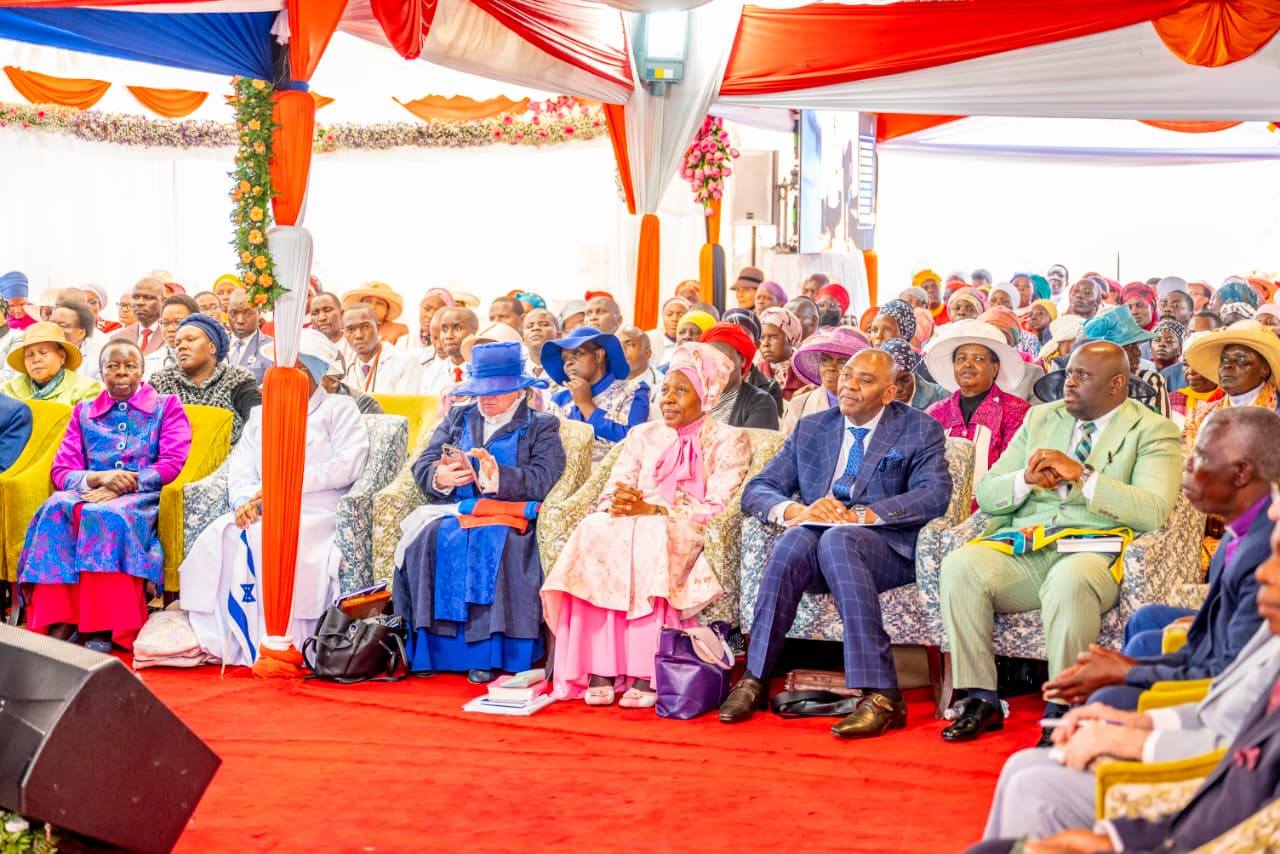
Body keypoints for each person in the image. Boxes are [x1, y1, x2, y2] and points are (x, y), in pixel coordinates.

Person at [969, 525, 1280, 854]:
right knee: (1020, 765)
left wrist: (1131, 740)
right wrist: (1136, 722)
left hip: (1200, 800)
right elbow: (1222, 705)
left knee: (1030, 787)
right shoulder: (1271, 636)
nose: (1262, 571)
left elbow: (1241, 774)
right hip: (1195, 793)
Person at [938, 342, 1182, 743]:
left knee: (1068, 581)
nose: (1069, 383)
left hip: (1093, 548)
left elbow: (1152, 510)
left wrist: (1082, 475)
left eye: (1083, 376)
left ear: (1117, 384)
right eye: (1069, 373)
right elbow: (988, 490)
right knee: (960, 566)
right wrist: (1025, 480)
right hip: (1028, 543)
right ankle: (981, 697)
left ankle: (1063, 707)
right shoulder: (1041, 418)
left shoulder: (1152, 429)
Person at [721, 349, 952, 736]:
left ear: (889, 393)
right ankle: (754, 678)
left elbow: (934, 495)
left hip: (886, 549)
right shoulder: (813, 428)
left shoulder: (918, 428)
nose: (849, 385)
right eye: (847, 375)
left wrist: (861, 515)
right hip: (821, 538)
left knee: (839, 539)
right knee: (793, 542)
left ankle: (883, 696)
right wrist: (799, 511)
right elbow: (758, 489)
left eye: (865, 380)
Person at [543, 343, 751, 705]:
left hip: (681, 525)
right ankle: (600, 666)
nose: (668, 399)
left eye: (681, 390)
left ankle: (645, 671)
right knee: (594, 528)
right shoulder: (643, 435)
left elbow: (718, 506)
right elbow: (615, 486)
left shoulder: (729, 440)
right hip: (635, 520)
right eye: (665, 390)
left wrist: (654, 510)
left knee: (652, 534)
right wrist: (619, 502)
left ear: (706, 394)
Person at [1037, 407, 1280, 713]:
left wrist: (1128, 672)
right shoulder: (1237, 534)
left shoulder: (1265, 553)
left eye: (1202, 456)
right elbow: (1209, 642)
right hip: (1217, 663)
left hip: (1230, 707)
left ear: (1241, 472)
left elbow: (1228, 672)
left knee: (1106, 699)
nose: (1187, 464)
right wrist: (1128, 667)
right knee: (1145, 622)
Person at [181, 334, 368, 666]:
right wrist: (242, 500)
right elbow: (241, 466)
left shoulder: (338, 409)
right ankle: (233, 641)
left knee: (276, 540)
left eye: (295, 370)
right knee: (223, 535)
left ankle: (289, 640)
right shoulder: (261, 414)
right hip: (260, 503)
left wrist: (284, 486)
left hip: (316, 506)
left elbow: (347, 465)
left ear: (312, 374)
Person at [391, 342, 563, 683]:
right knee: (428, 538)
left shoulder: (541, 425)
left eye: (495, 391)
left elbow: (544, 477)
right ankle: (431, 651)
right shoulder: (459, 417)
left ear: (519, 389)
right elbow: (424, 463)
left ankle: (489, 654)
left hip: (508, 516)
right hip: (457, 510)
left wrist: (498, 477)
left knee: (493, 540)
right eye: (480, 391)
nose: (486, 399)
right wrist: (439, 476)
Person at [19, 340, 190, 651]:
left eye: (130, 366)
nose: (121, 372)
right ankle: (61, 618)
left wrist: (123, 485)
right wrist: (98, 478)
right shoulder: (84, 412)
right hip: (91, 489)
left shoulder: (166, 407)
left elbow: (172, 462)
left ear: (142, 371)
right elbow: (61, 471)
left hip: (141, 496)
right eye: (112, 366)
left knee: (105, 516)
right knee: (55, 508)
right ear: (101, 372)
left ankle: (104, 626)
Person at [924, 320, 1030, 494]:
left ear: (994, 368)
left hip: (995, 505)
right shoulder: (935, 413)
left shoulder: (1017, 412)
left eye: (978, 358)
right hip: (938, 505)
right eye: (961, 358)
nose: (968, 364)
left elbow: (1015, 473)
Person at [544, 326, 649, 461]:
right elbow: (544, 447)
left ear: (599, 355)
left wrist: (585, 405)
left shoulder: (633, 391)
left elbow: (633, 443)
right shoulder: (558, 401)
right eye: (565, 359)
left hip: (615, 473)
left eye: (577, 353)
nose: (569, 362)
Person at [151, 310, 261, 437]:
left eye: (190, 339)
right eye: (177, 343)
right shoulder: (161, 381)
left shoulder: (238, 379)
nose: (181, 347)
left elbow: (257, 426)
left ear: (212, 347)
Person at [1182, 320, 1280, 448]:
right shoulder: (1200, 416)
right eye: (1223, 359)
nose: (1227, 365)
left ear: (1264, 369)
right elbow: (1189, 457)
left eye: (1241, 359)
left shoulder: (1276, 412)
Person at [1080, 306, 1171, 418]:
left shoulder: (1150, 380)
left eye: (1136, 346)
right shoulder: (1090, 384)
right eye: (1129, 347)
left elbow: (1162, 423)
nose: (1137, 353)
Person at [782, 327, 870, 434]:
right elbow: (785, 443)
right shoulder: (799, 405)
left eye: (842, 362)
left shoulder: (873, 408)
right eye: (825, 360)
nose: (831, 367)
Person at [698, 322, 779, 430]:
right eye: (709, 358)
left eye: (722, 357)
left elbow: (750, 441)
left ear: (742, 361)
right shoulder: (694, 398)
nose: (715, 365)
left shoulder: (761, 402)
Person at [1, 321, 100, 405]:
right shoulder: (8, 391)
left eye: (43, 353)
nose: (36, 359)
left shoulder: (87, 389)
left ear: (62, 356)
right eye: (29, 355)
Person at [340, 303, 420, 395]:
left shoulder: (406, 363)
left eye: (365, 327)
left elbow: (407, 403)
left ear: (378, 328)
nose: (358, 335)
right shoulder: (345, 370)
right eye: (350, 329)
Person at [417, 306, 478, 398]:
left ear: (474, 333)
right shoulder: (431, 373)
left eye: (457, 329)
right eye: (444, 330)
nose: (449, 336)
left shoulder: (485, 372)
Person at [879, 339, 946, 411]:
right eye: (891, 381)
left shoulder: (942, 397)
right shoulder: (876, 405)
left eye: (905, 379)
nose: (899, 388)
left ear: (914, 373)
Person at [224, 289, 272, 385]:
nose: (240, 320)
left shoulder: (271, 347)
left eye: (248, 313)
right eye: (233, 313)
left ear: (259, 313)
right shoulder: (216, 345)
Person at [756, 307, 805, 402]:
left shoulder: (806, 374)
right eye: (761, 338)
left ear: (791, 339)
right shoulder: (753, 374)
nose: (765, 344)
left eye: (773, 337)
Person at [50, 298, 102, 383]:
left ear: (81, 333)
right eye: (52, 323)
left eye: (62, 325)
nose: (54, 329)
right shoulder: (37, 351)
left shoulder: (97, 362)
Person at [111, 277, 166, 355]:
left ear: (163, 301)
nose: (139, 302)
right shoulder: (118, 338)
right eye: (135, 297)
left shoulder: (175, 335)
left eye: (148, 297)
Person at [617, 325, 660, 407]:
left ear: (647, 353)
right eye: (618, 345)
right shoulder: (606, 380)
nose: (622, 350)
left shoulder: (662, 384)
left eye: (630, 345)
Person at [309, 291, 355, 367]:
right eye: (315, 313)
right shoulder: (305, 348)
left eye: (327, 310)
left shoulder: (355, 343)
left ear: (342, 314)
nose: (322, 318)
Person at [521, 307, 559, 383]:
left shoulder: (568, 367)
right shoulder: (516, 370)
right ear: (523, 339)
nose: (535, 328)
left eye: (544, 324)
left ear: (558, 335)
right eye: (529, 326)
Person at [659, 296, 690, 363]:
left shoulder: (694, 344)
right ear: (663, 316)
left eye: (681, 315)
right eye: (669, 314)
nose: (674, 319)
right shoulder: (651, 341)